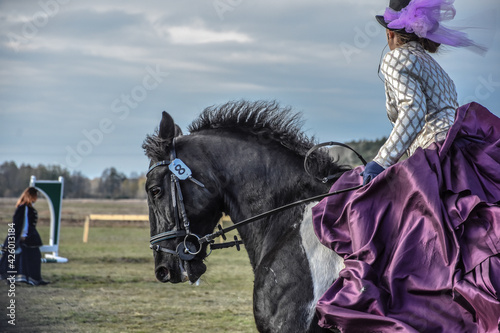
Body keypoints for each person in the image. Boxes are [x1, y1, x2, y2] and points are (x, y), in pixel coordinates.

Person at [312, 0, 499, 332]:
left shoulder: (396, 57)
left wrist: (381, 161)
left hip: (433, 155)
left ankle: (391, 304)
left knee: (366, 212)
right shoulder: (432, 64)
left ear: (390, 33)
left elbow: (413, 112)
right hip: (458, 152)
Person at [0, 187, 49, 286]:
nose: (36, 198)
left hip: (26, 237)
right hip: (23, 237)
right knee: (15, 258)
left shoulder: (26, 207)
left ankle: (34, 279)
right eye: (35, 196)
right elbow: (22, 223)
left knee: (30, 257)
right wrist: (23, 236)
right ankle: (17, 279)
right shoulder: (24, 208)